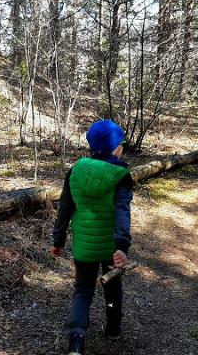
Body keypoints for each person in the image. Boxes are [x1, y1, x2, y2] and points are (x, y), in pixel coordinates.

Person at [50, 119, 134, 355]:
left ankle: (76, 341)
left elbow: (64, 208)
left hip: (84, 247)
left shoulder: (76, 170)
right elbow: (122, 213)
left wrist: (58, 241)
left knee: (83, 290)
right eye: (121, 144)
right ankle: (113, 329)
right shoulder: (121, 175)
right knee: (112, 288)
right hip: (110, 249)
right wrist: (122, 246)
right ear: (115, 148)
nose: (123, 148)